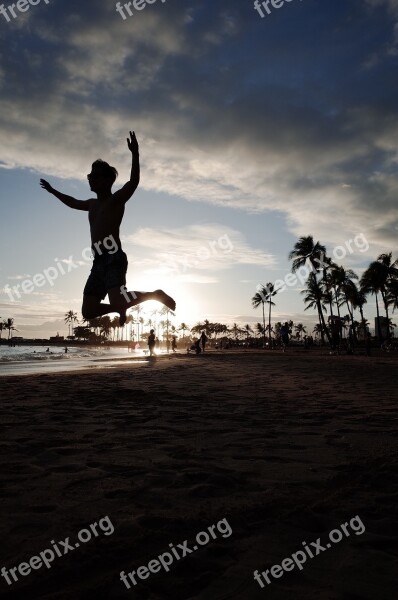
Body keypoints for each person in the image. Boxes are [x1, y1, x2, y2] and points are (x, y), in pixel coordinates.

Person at [40, 131, 175, 327]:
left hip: (113, 257)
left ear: (107, 180)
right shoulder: (91, 204)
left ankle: (154, 295)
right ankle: (119, 308)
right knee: (88, 311)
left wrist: (135, 154)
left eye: (94, 176)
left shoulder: (116, 200)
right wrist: (53, 191)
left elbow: (133, 182)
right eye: (89, 176)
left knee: (118, 298)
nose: (90, 179)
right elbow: (71, 202)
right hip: (98, 261)